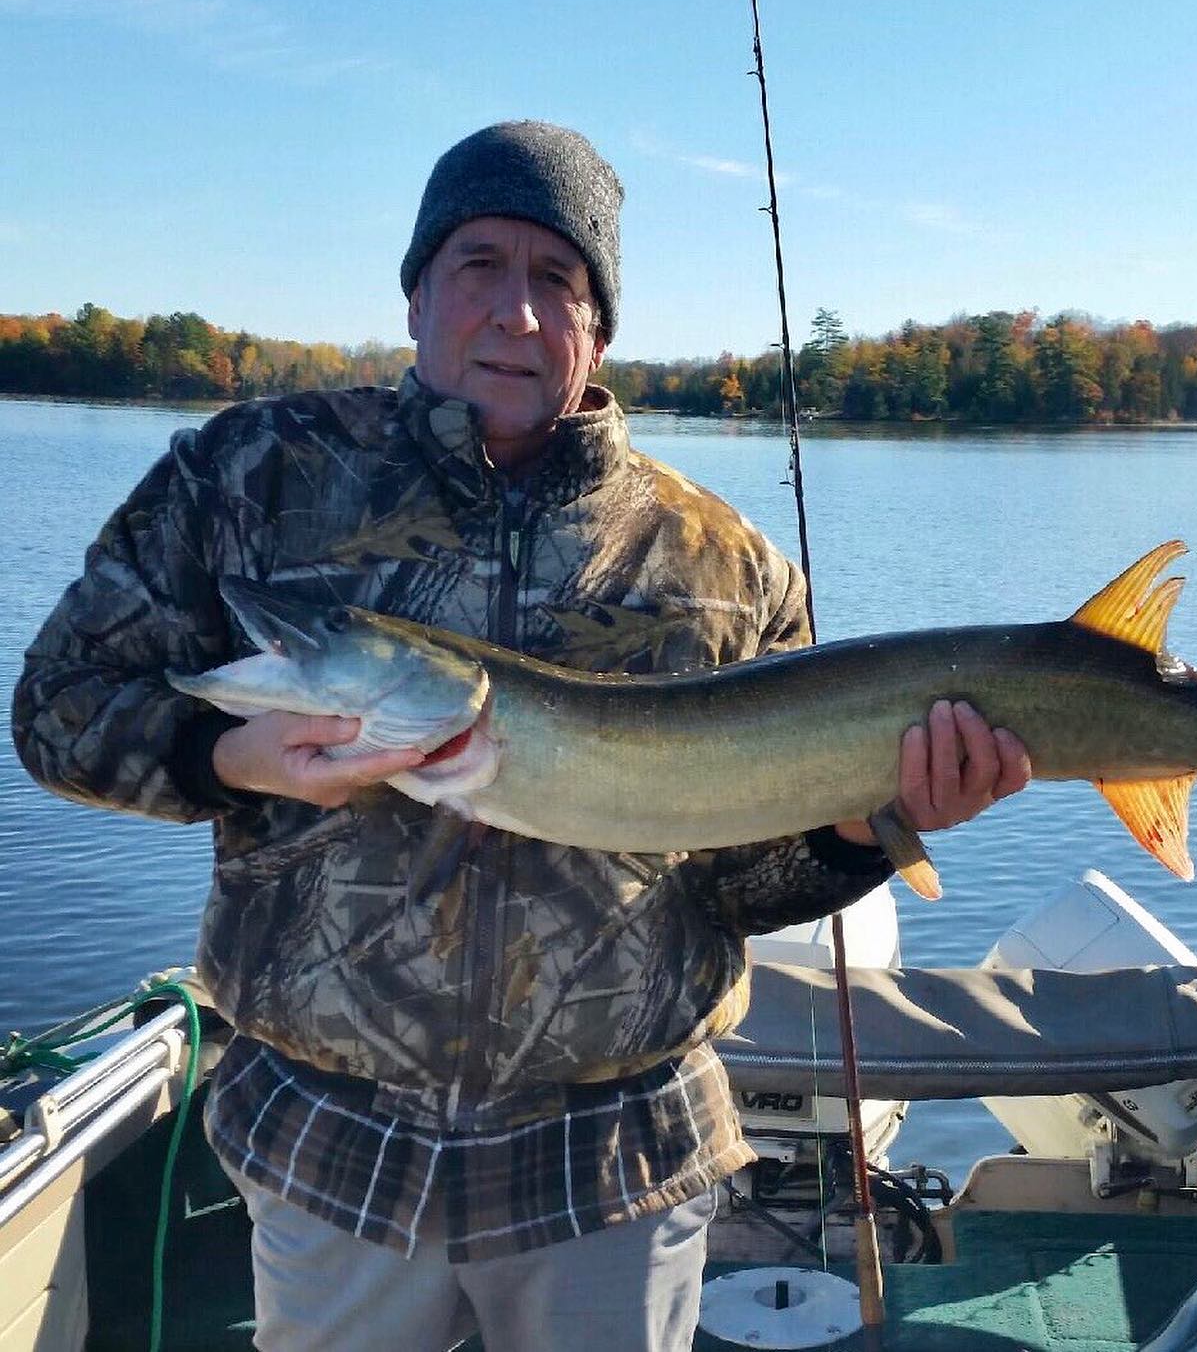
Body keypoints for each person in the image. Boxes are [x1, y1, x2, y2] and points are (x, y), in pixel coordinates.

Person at [13, 121, 1030, 1352]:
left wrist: (874, 823)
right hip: (333, 1146)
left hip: (608, 1163)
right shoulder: (249, 476)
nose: (516, 311)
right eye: (478, 265)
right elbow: (55, 708)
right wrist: (228, 757)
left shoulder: (724, 562)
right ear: (415, 294)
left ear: (597, 326)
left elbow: (738, 883)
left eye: (559, 279)